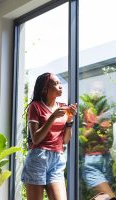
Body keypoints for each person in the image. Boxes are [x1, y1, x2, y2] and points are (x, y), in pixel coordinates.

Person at [21, 72, 77, 200]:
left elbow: (65, 140)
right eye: (56, 84)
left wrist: (69, 120)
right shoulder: (35, 107)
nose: (60, 86)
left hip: (57, 158)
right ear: (45, 89)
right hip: (38, 159)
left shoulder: (63, 108)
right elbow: (35, 139)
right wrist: (52, 117)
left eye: (60, 83)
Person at [79, 94, 116, 200]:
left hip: (106, 160)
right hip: (92, 162)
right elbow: (84, 135)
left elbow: (109, 138)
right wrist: (96, 123)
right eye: (95, 89)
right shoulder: (87, 113)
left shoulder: (106, 113)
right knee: (111, 197)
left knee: (105, 197)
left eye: (100, 90)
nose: (97, 92)